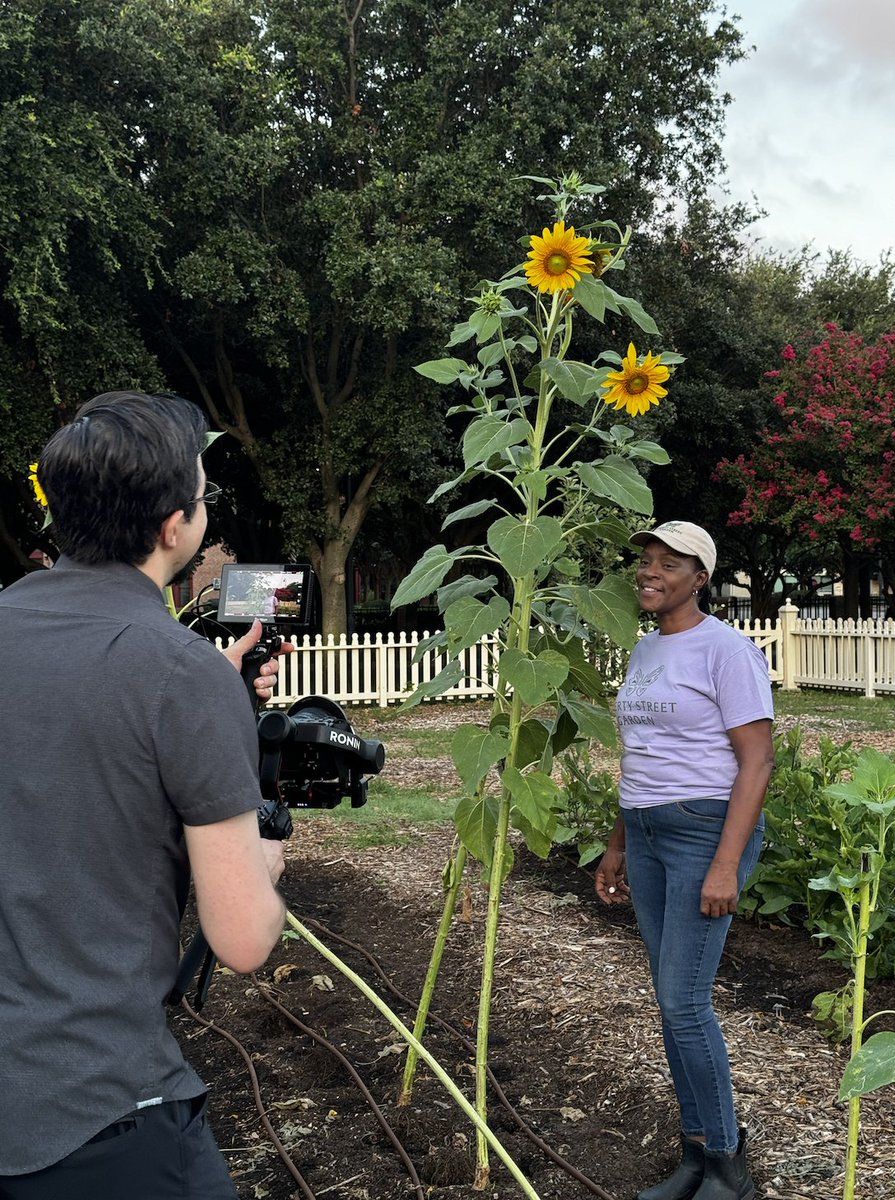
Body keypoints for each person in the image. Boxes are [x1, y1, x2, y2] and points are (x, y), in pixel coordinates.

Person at [0, 391, 291, 1199]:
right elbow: (242, 941)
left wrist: (208, 696)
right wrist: (268, 852)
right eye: (204, 492)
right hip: (94, 1112)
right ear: (173, 527)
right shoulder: (178, 674)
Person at [595, 521, 774, 1200]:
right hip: (645, 831)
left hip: (704, 832)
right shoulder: (644, 650)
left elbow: (757, 762)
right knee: (671, 1002)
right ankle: (696, 1156)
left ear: (700, 578)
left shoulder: (726, 650)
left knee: (684, 999)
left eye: (669, 564)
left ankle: (728, 1165)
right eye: (646, 560)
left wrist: (726, 864)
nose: (650, 572)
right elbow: (639, 755)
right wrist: (618, 843)